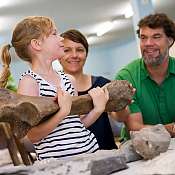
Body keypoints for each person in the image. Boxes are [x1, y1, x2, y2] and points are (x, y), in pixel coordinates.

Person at [1, 16, 110, 160]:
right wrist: (62, 112)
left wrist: (98, 109)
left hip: (90, 153)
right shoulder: (30, 82)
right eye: (54, 34)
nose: (61, 39)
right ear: (37, 44)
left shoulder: (69, 80)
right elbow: (33, 136)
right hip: (58, 163)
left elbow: (77, 125)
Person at [59, 29, 130, 149]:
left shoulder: (102, 84)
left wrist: (122, 102)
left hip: (107, 153)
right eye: (67, 50)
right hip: (74, 156)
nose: (74, 55)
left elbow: (121, 118)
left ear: (86, 54)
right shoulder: (54, 89)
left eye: (80, 50)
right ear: (58, 56)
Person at [115, 13, 175, 139]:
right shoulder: (126, 77)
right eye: (143, 38)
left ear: (170, 40)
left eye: (156, 37)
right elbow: (135, 127)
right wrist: (170, 129)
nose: (148, 43)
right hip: (139, 148)